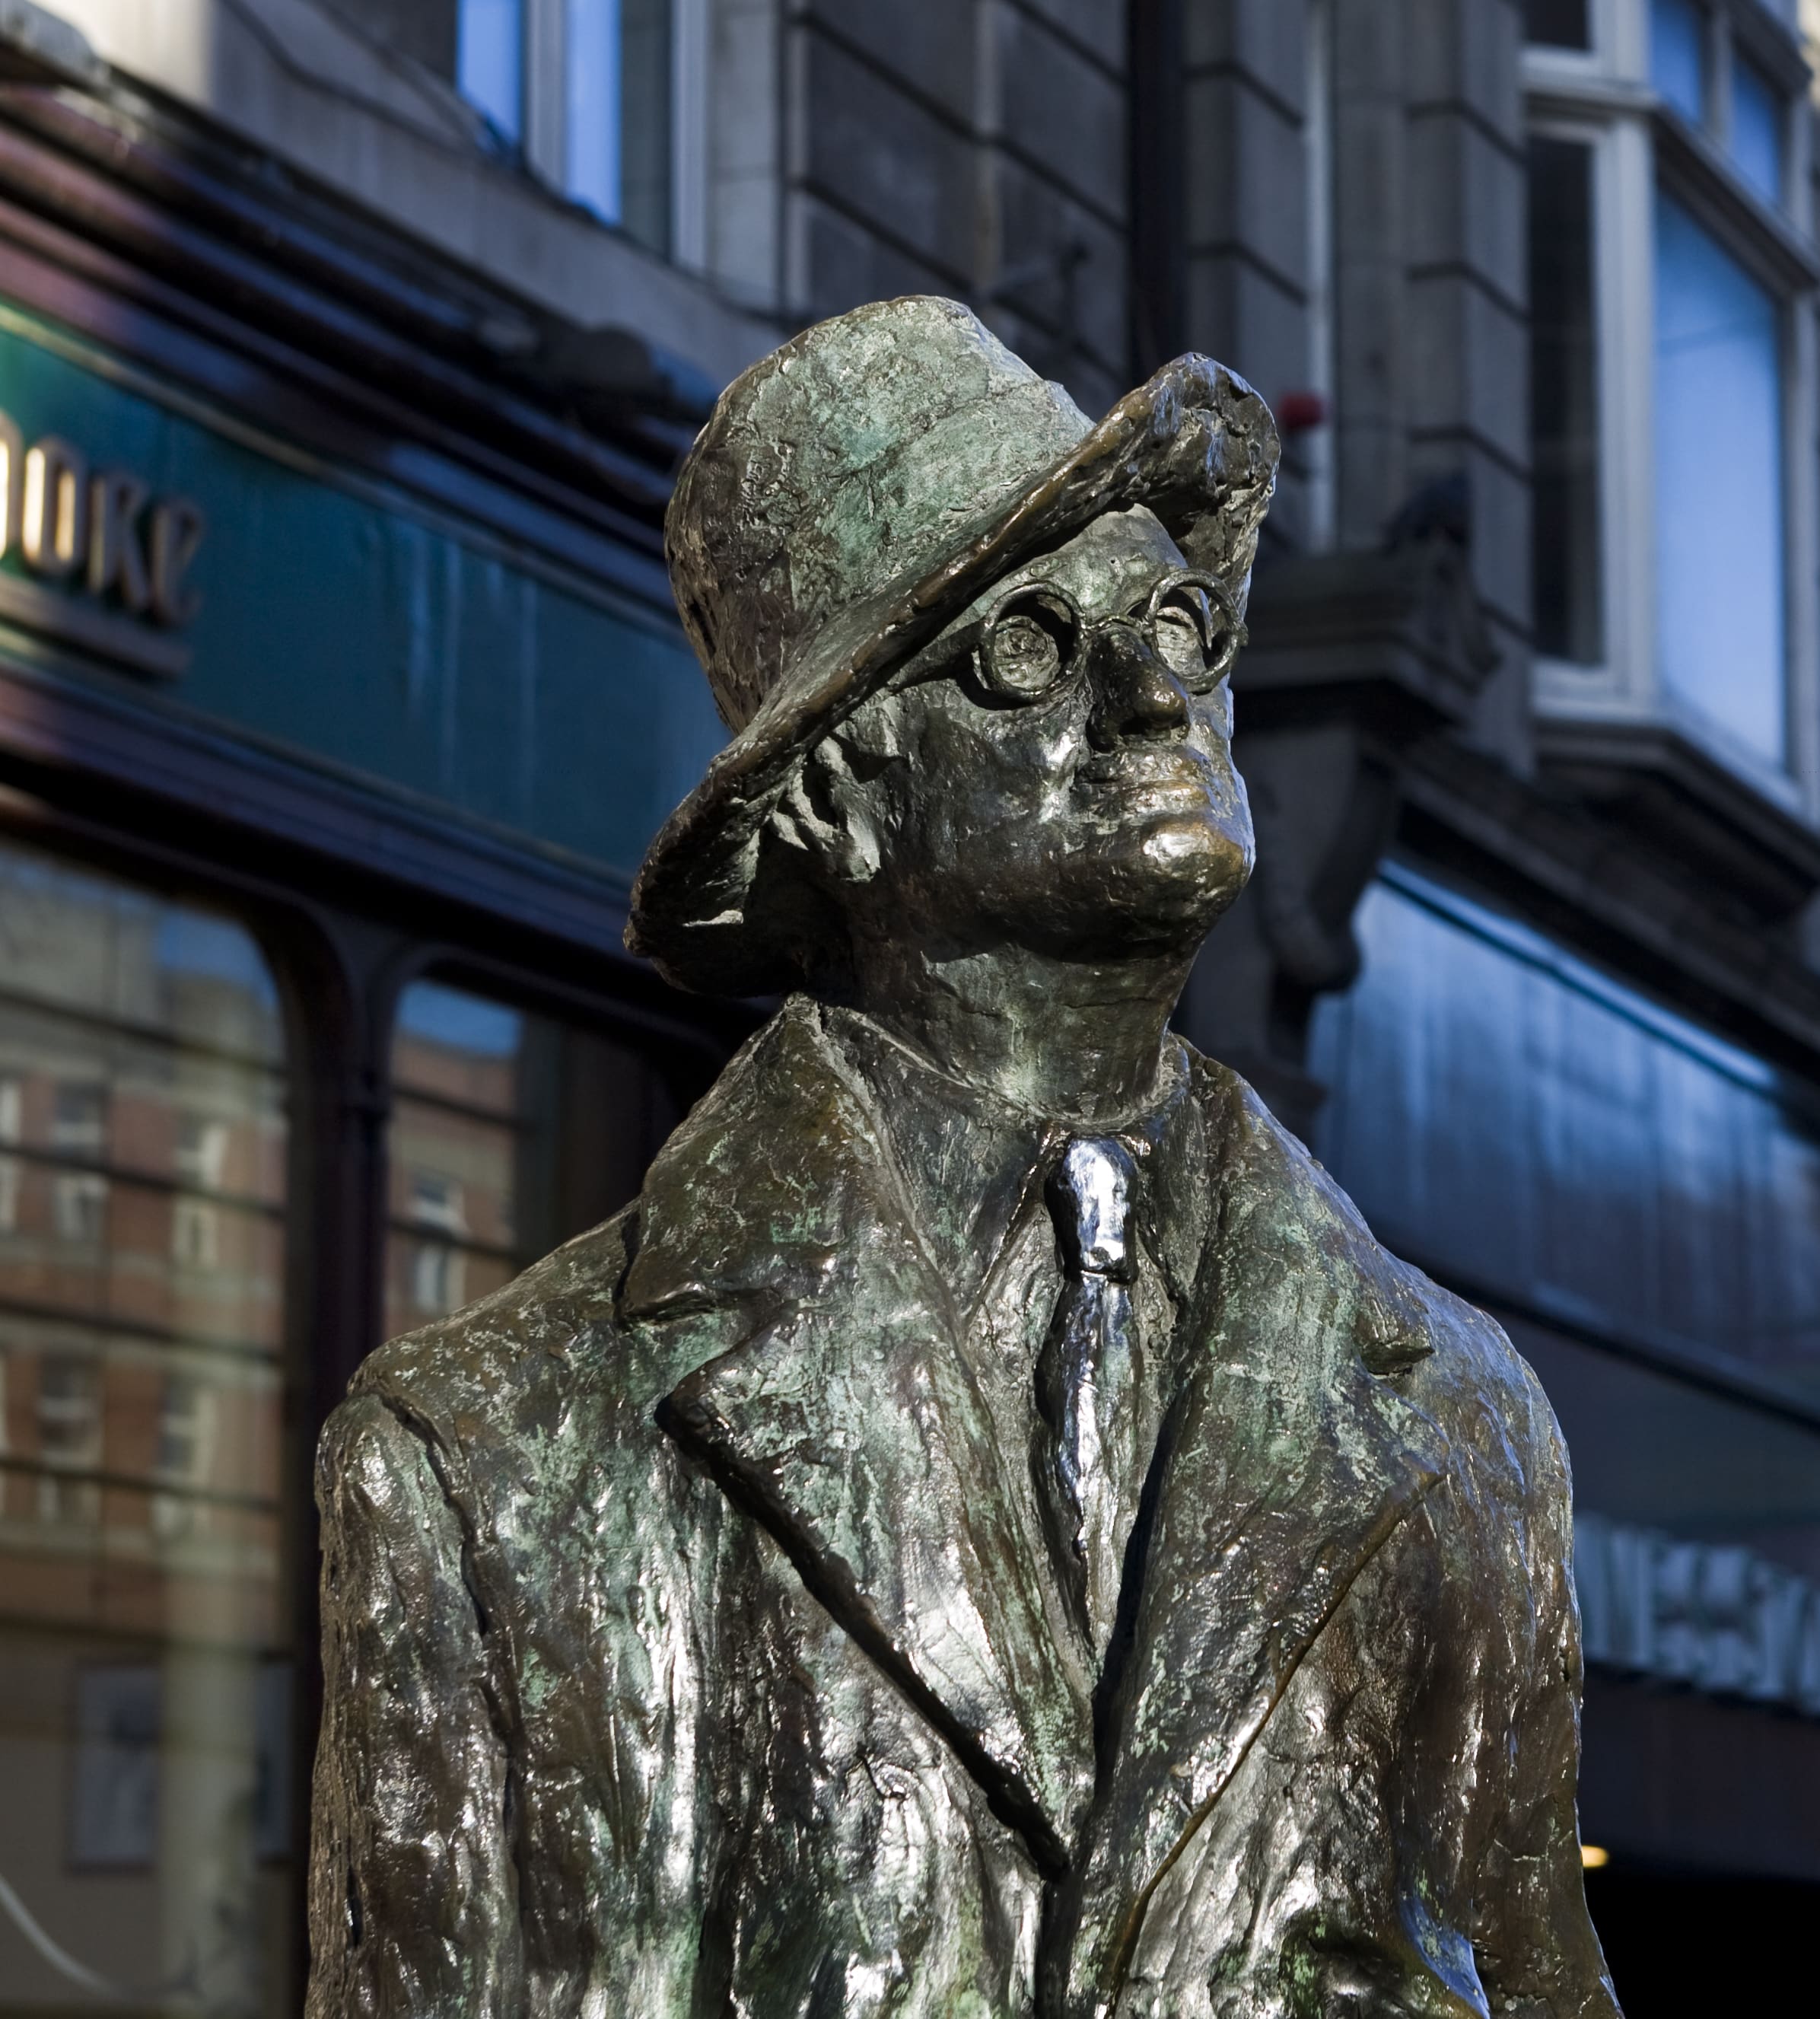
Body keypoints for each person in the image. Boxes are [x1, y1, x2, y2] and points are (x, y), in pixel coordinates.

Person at [305, 297, 1618, 2019]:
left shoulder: (1462, 1413)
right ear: (837, 799)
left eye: (1177, 620)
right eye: (1025, 651)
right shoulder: (485, 1456)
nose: (1161, 689)